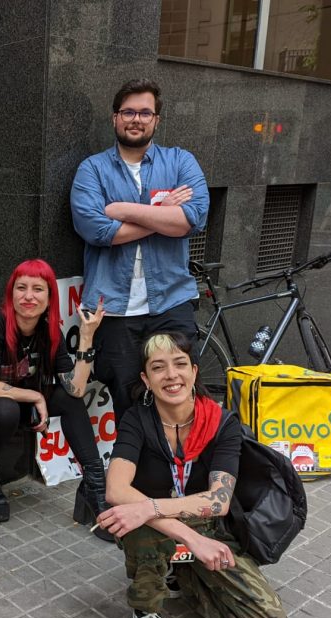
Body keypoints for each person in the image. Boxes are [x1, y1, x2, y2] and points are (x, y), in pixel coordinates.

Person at [96, 332, 302, 618]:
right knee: (130, 518)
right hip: (156, 531)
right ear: (146, 380)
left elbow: (219, 501)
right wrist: (187, 536)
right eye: (158, 368)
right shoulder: (137, 420)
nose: (171, 375)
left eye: (179, 364)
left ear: (193, 371)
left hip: (210, 529)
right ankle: (147, 608)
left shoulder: (223, 423)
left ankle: (187, 578)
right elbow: (116, 490)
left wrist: (151, 506)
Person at [70, 78, 209, 424]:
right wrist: (163, 213)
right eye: (128, 112)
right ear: (115, 118)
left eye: (145, 112)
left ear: (156, 120)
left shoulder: (180, 162)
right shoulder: (93, 169)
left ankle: (180, 471)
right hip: (115, 310)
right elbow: (96, 229)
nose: (137, 119)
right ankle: (136, 473)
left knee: (180, 397)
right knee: (128, 403)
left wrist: (121, 209)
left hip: (171, 302)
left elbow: (194, 217)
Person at [0, 258, 112, 539]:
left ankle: (95, 487)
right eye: (21, 288)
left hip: (22, 402)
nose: (29, 296)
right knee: (6, 410)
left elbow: (76, 389)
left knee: (70, 401)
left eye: (38, 289)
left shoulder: (48, 330)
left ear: (49, 297)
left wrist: (86, 337)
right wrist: (35, 396)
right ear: (11, 294)